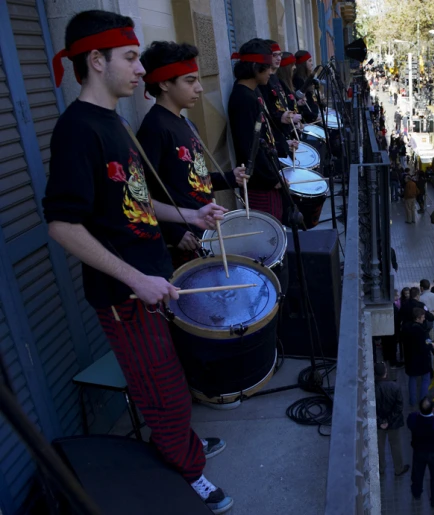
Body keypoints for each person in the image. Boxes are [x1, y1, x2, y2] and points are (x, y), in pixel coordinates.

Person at [44, 10, 232, 512]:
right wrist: (136, 279)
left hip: (152, 278)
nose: (140, 69)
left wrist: (190, 217)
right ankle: (186, 474)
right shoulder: (77, 130)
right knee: (159, 388)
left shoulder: (113, 123)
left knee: (171, 377)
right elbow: (62, 224)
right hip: (124, 294)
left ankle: (181, 448)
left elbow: (136, 202)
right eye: (130, 58)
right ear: (96, 59)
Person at [137, 41, 248, 268]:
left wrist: (229, 177)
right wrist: (172, 233)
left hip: (203, 232)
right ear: (165, 83)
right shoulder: (154, 128)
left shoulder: (185, 122)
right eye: (190, 80)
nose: (200, 88)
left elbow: (194, 180)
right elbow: (140, 194)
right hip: (183, 243)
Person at [227, 39, 297, 223]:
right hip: (260, 183)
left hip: (269, 177)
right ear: (256, 67)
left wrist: (283, 144)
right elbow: (249, 147)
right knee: (269, 232)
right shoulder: (243, 98)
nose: (271, 73)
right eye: (268, 68)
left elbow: (264, 134)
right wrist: (271, 179)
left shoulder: (253, 92)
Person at [407, 397, 434, 508]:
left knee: (417, 473)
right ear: (433, 409)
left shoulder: (414, 418)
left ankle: (416, 492)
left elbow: (410, 422)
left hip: (419, 452)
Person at [374, 362, 410, 477]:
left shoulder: (373, 389)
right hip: (393, 423)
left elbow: (371, 409)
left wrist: (381, 421)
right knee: (395, 445)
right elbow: (399, 407)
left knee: (379, 446)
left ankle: (381, 469)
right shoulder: (395, 387)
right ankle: (398, 468)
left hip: (379, 424)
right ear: (386, 372)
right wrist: (388, 421)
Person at [403, 308, 434, 405]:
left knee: (412, 379)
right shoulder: (420, 330)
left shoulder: (406, 327)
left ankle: (412, 401)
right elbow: (423, 347)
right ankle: (423, 401)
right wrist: (432, 345)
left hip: (410, 359)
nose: (423, 319)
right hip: (421, 360)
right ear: (417, 318)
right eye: (422, 317)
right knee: (425, 380)